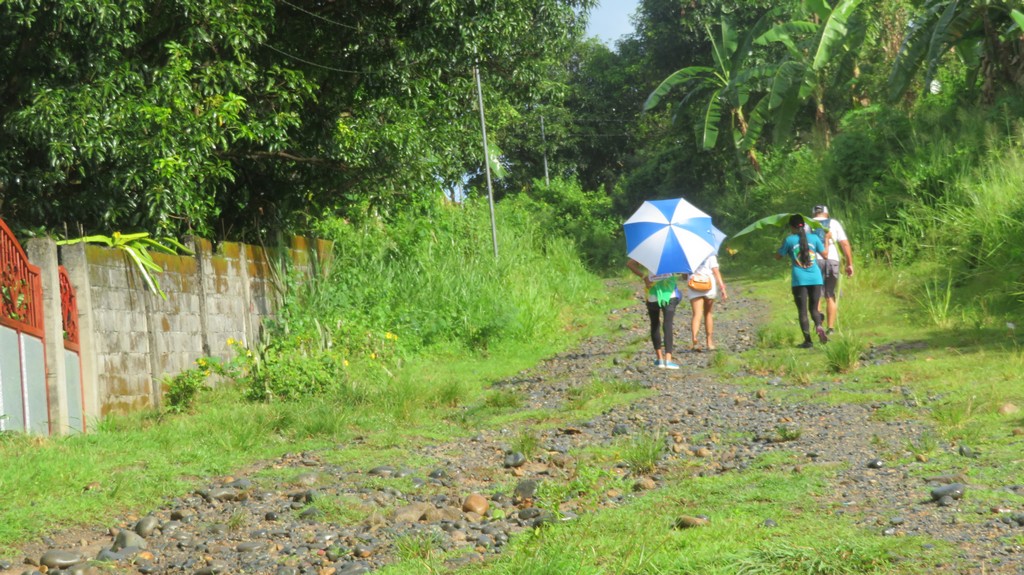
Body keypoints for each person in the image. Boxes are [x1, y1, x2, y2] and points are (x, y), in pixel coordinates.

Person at [775, 214, 828, 348]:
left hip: (800, 280)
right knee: (814, 309)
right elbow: (825, 255)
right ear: (804, 225)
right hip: (816, 278)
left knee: (802, 311)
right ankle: (819, 326)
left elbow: (778, 257)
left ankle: (808, 341)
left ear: (791, 227)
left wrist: (780, 248)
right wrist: (827, 240)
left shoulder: (789, 240)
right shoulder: (814, 238)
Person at [626, 258, 682, 369]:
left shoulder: (647, 252)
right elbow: (681, 272)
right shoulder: (672, 253)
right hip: (669, 293)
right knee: (668, 324)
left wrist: (644, 277)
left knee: (655, 323)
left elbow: (630, 264)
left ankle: (659, 359)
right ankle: (668, 360)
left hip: (652, 292)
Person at [811, 205, 854, 334]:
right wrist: (849, 264)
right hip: (832, 260)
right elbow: (844, 244)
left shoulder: (808, 224)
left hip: (814, 261)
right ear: (826, 214)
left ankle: (818, 325)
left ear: (813, 214)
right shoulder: (834, 223)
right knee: (830, 294)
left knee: (816, 294)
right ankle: (830, 328)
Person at [687, 254, 727, 351]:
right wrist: (722, 288)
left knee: (697, 314)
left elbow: (684, 274)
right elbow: (716, 271)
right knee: (708, 313)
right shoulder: (710, 255)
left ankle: (694, 339)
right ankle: (709, 342)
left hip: (694, 285)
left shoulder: (688, 255)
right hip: (708, 286)